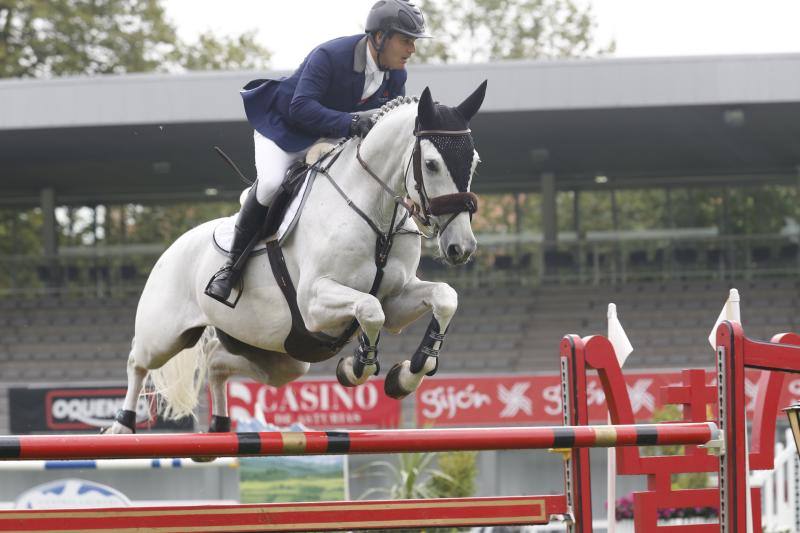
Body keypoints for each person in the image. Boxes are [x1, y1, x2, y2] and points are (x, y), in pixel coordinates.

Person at [205, 0, 430, 305]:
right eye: (406, 40)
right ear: (380, 37)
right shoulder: (330, 55)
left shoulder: (396, 75)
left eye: (414, 42)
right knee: (272, 183)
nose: (412, 50)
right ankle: (230, 269)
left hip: (334, 137)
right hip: (285, 130)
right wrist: (351, 121)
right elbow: (300, 107)